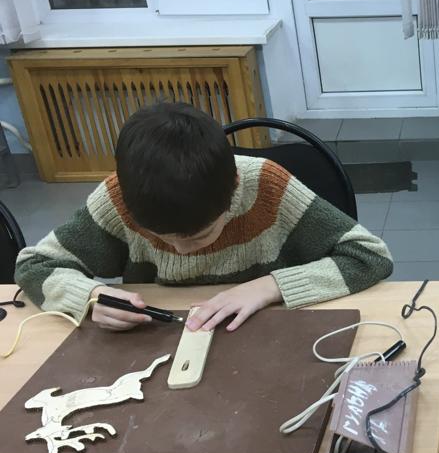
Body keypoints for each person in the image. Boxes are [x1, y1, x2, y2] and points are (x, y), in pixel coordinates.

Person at [15, 101, 393, 332]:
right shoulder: (118, 197)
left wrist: (268, 287)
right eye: (162, 237)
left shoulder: (265, 186)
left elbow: (369, 256)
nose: (181, 251)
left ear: (232, 191)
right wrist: (91, 297)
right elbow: (35, 265)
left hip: (268, 332)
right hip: (160, 337)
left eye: (198, 236)